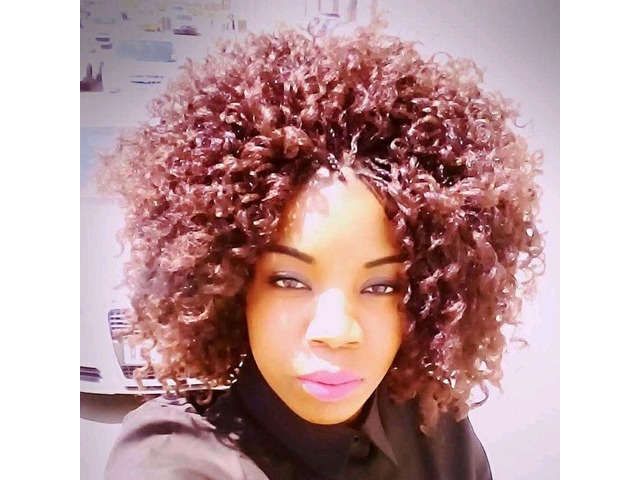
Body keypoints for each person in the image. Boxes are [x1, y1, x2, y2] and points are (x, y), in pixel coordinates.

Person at [99, 14, 544, 480]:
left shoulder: (432, 427)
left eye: (381, 286)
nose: (336, 331)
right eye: (289, 280)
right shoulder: (173, 460)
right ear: (232, 289)